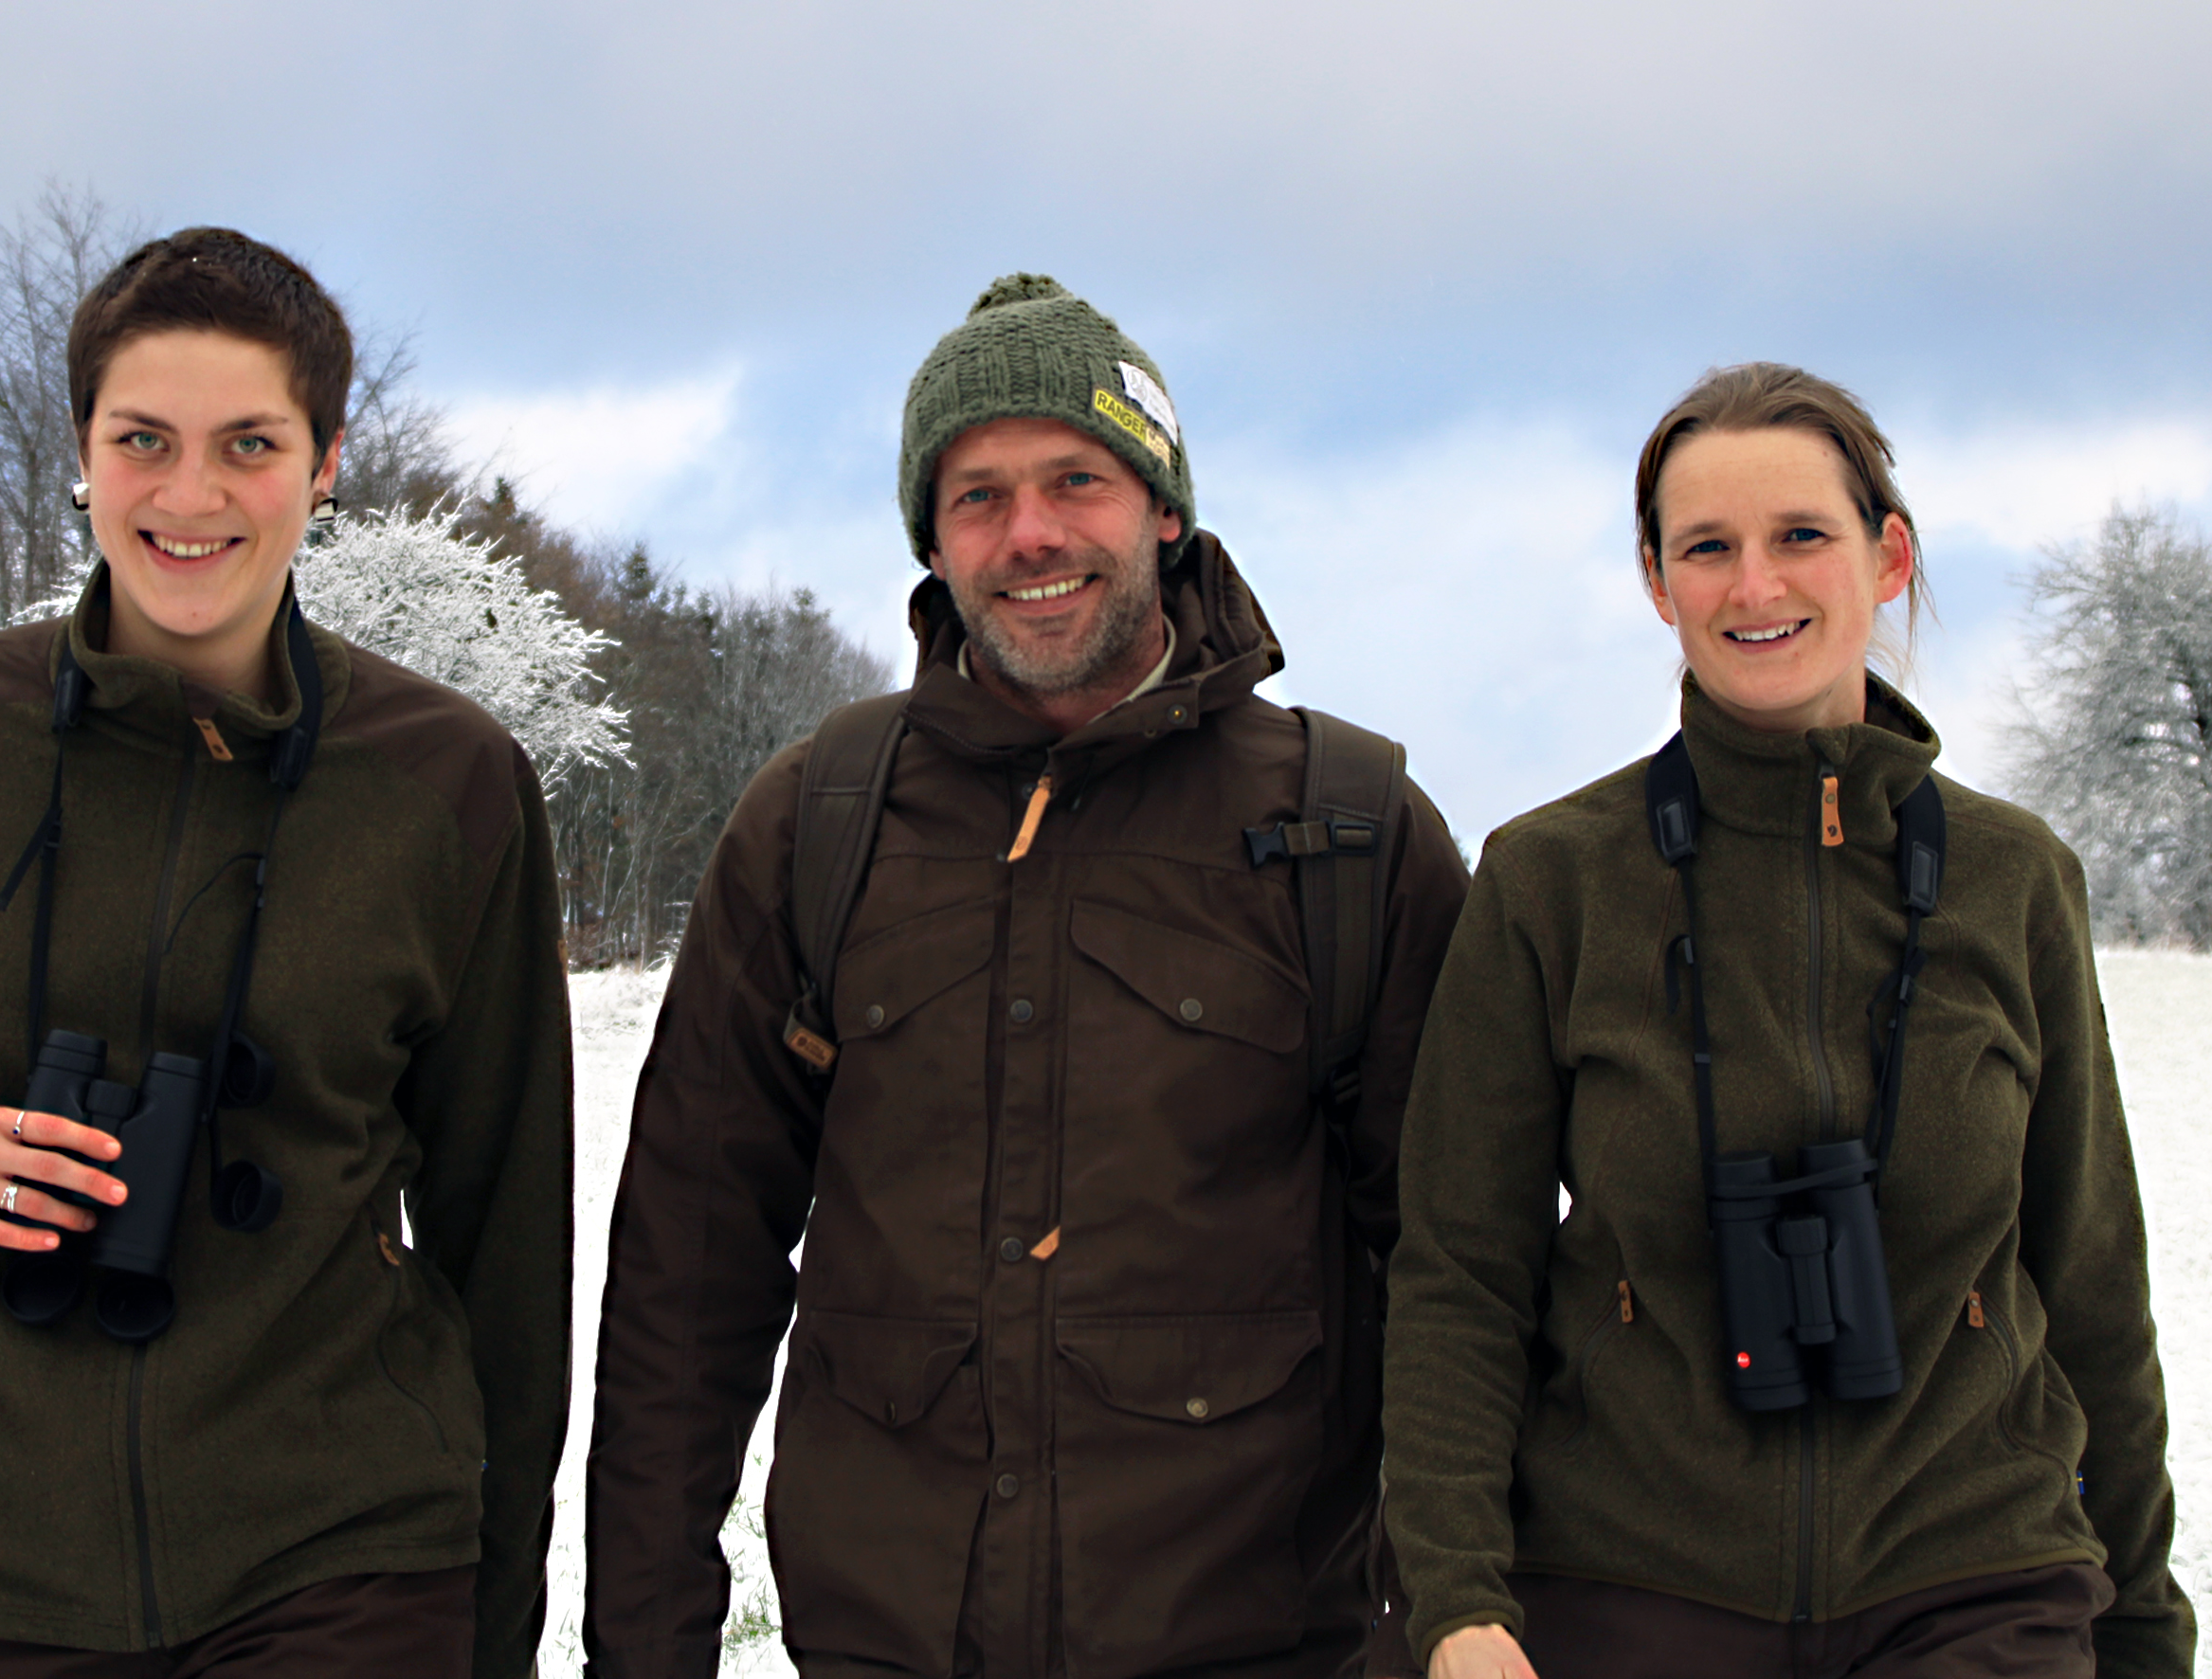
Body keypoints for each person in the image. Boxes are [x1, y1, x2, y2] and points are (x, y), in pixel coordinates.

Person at [581, 273, 1469, 1679]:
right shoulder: (819, 821)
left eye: (1078, 480)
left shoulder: (1347, 834)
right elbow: (688, 1275)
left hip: (1257, 1647)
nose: (1030, 534)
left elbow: (1458, 1286)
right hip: (883, 1644)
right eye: (977, 495)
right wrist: (643, 1645)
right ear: (929, 542)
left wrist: (1443, 1633)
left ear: (1165, 510)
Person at [0, 228, 571, 1678]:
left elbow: (506, 1227)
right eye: (143, 441)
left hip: (341, 1564)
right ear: (83, 450)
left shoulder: (446, 781)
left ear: (326, 462)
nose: (191, 496)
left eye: (249, 442)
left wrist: (493, 1611)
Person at [1381, 363, 2194, 1678]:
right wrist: (1457, 1602)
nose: (1754, 587)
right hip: (1627, 1582)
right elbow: (1459, 1275)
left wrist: (2148, 1634)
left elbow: (2090, 1277)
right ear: (1656, 583)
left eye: (1799, 537)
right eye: (1707, 548)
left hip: (1976, 1580)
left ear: (1886, 558)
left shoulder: (2011, 877)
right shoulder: (1551, 880)